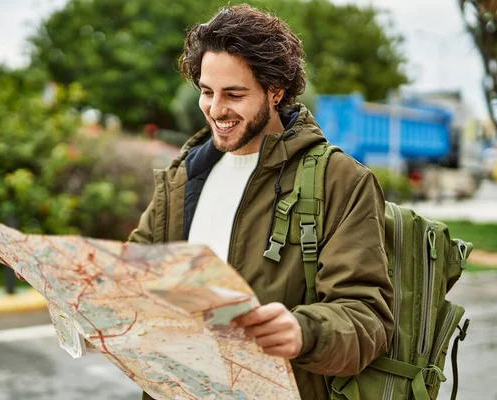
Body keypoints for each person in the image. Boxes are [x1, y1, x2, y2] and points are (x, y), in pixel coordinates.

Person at [128, 4, 394, 399]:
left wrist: (305, 333)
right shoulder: (183, 176)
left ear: (276, 90)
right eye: (206, 91)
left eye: (233, 94)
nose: (216, 109)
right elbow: (134, 271)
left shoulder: (340, 180)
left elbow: (367, 318)